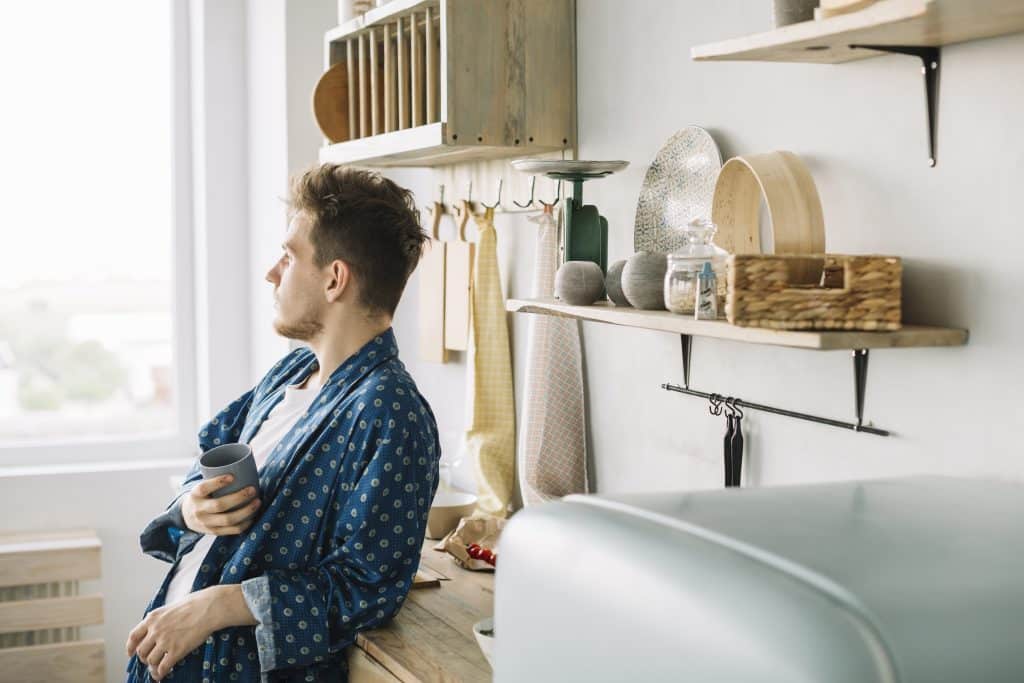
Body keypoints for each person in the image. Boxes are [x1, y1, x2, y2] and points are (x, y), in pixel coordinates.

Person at [125, 164, 440, 682]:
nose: (273, 272)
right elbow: (210, 450)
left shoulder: (389, 413)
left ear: (335, 279)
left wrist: (218, 606)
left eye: (290, 256)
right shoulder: (293, 371)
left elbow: (368, 587)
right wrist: (193, 508)